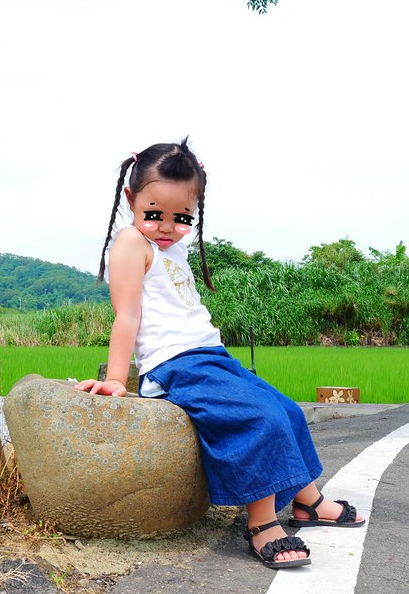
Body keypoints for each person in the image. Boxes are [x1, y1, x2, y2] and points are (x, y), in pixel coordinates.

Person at [75, 138, 365, 569]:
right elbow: (127, 315)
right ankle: (262, 523)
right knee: (259, 420)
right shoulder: (131, 243)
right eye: (154, 214)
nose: (168, 226)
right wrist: (118, 377)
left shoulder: (171, 249)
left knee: (286, 411)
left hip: (211, 356)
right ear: (131, 198)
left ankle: (308, 502)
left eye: (182, 217)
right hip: (178, 365)